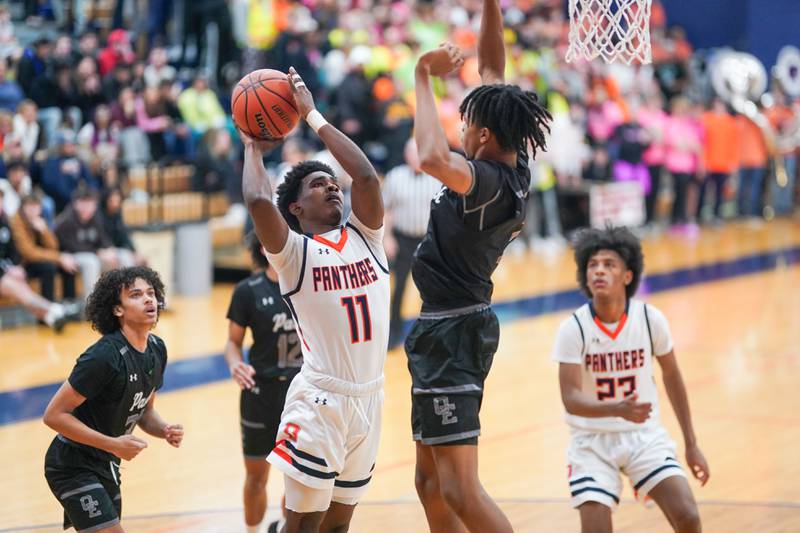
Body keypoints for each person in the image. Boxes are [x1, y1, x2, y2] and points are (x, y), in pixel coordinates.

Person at [406, 1, 551, 531]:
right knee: (429, 484)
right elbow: (494, 71)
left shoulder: (485, 183)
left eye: (466, 124)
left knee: (461, 492)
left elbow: (428, 156)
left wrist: (421, 74)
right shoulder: (509, 163)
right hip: (441, 327)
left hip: (455, 332)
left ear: (483, 137)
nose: (461, 131)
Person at [241, 66, 389, 532]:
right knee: (304, 527)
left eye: (331, 181)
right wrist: (251, 145)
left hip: (371, 398)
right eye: (316, 185)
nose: (330, 186)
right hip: (321, 400)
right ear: (297, 210)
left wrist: (313, 117)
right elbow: (261, 203)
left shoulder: (368, 238)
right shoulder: (294, 253)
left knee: (338, 527)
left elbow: (364, 176)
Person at [553, 226, 709, 533]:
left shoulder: (651, 320)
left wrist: (692, 444)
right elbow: (570, 400)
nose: (598, 271)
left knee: (688, 516)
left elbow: (673, 376)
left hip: (644, 437)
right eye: (592, 265)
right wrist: (616, 408)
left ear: (627, 276)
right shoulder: (573, 328)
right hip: (591, 442)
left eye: (609, 264)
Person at [43, 266, 183, 532]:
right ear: (117, 309)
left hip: (106, 463)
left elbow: (144, 411)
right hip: (71, 464)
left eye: (151, 293)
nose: (148, 299)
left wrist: (163, 429)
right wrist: (113, 444)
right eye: (136, 295)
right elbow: (53, 415)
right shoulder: (103, 356)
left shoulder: (157, 349)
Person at [225, 232, 302, 533]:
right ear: (264, 247)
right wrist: (235, 364)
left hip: (301, 395)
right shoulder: (248, 291)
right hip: (261, 394)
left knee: (298, 478)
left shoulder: (309, 284)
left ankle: (285, 527)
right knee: (257, 477)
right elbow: (232, 342)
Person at [382, 138, 442, 349]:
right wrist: (387, 237)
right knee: (399, 288)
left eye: (419, 152)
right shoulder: (395, 177)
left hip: (428, 240)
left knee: (431, 289)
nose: (416, 157)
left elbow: (442, 214)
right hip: (403, 239)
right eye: (412, 153)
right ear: (407, 155)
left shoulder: (436, 177)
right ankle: (394, 334)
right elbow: (386, 210)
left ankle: (431, 333)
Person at [0, 188, 78, 331]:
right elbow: (27, 251)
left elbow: (54, 246)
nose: (33, 210)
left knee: (53, 267)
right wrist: (59, 258)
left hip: (18, 267)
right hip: (21, 265)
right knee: (26, 285)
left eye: (37, 207)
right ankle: (55, 310)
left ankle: (50, 316)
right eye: (30, 207)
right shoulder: (14, 221)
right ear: (23, 207)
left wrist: (44, 231)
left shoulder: (32, 221)